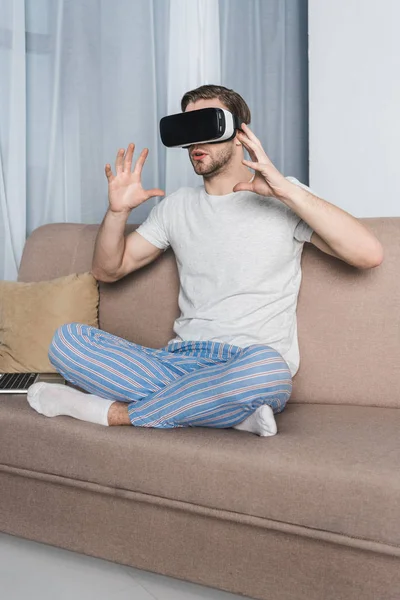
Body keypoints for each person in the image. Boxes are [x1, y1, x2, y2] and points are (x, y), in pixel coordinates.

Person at [27, 85, 383, 436]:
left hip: (246, 363)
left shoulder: (283, 196)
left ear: (239, 133)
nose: (195, 142)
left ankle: (115, 414)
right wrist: (118, 211)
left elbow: (368, 254)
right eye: (188, 129)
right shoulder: (177, 207)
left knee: (269, 372)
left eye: (207, 127)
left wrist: (285, 190)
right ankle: (224, 412)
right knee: (67, 341)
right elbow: (108, 269)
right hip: (176, 362)